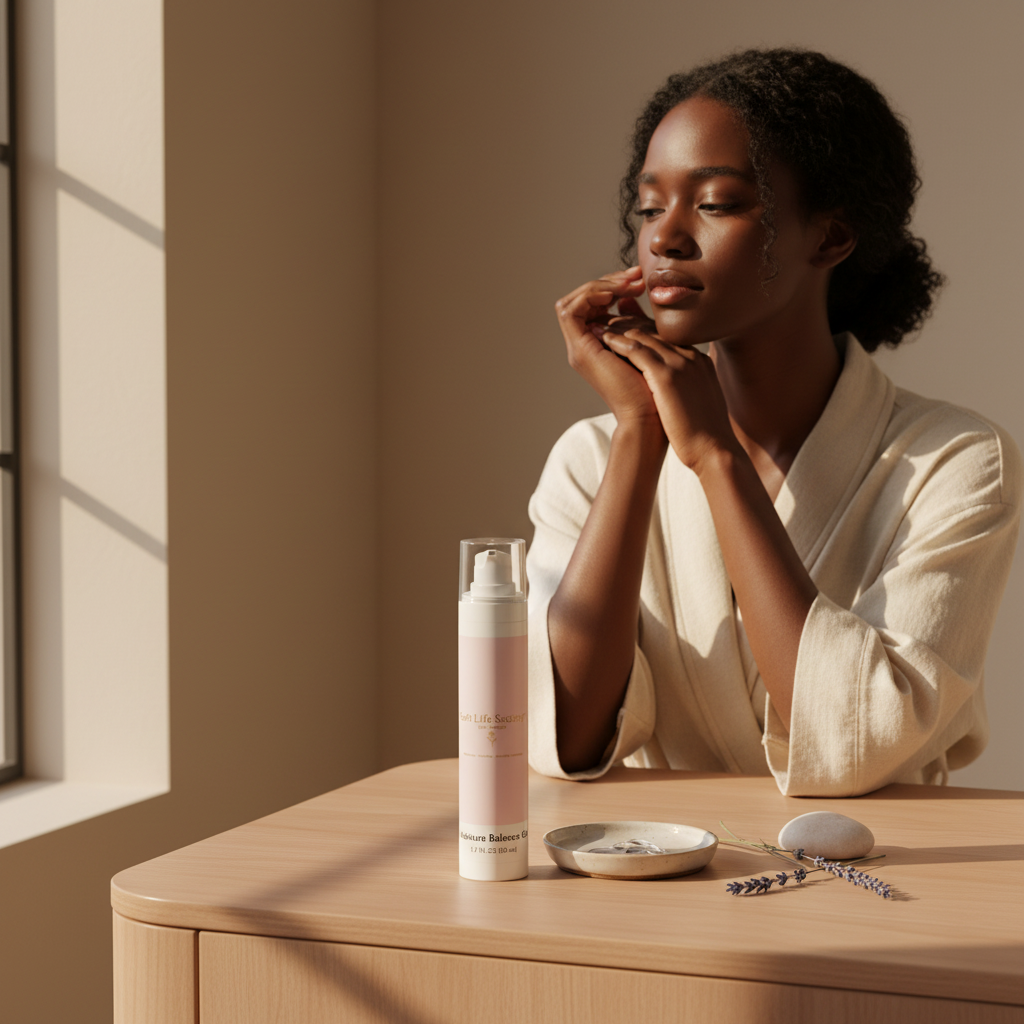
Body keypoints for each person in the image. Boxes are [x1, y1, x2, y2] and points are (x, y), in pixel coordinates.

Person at [525, 48, 1021, 796]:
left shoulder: (955, 460)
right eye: (649, 207)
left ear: (828, 238)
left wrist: (717, 459)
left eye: (715, 203)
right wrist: (639, 435)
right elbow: (566, 732)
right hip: (658, 880)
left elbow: (862, 743)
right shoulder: (591, 457)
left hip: (882, 876)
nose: (665, 238)